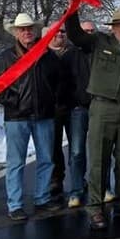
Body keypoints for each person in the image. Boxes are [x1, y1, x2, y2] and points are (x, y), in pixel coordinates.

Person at [64, 0, 120, 229]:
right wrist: (72, 7)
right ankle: (95, 207)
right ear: (113, 28)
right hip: (102, 108)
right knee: (98, 160)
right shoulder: (99, 42)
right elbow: (75, 34)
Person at [0, 13, 62, 221]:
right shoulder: (6, 58)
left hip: (44, 115)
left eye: (29, 28)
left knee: (46, 159)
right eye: (22, 29)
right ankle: (15, 204)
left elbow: (59, 81)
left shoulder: (47, 55)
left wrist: (51, 101)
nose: (26, 32)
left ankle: (42, 198)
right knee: (16, 162)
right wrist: (15, 102)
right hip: (17, 117)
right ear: (16, 32)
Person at [61, 21, 93, 208]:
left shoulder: (101, 53)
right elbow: (62, 83)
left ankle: (102, 187)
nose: (88, 34)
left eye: (91, 31)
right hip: (77, 109)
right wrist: (71, 103)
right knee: (76, 151)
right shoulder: (69, 56)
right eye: (85, 31)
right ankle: (76, 190)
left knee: (99, 151)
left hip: (98, 107)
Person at [44, 26, 71, 199]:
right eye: (56, 31)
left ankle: (79, 179)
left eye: (62, 31)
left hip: (73, 105)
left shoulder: (74, 52)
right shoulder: (42, 54)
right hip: (51, 107)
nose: (59, 34)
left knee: (76, 148)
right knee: (53, 146)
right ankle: (56, 178)